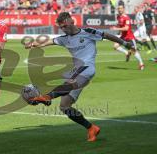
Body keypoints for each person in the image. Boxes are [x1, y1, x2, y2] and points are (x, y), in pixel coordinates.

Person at [24, 12, 134, 142]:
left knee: (69, 83)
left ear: (71, 21)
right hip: (75, 71)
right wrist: (33, 44)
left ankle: (47, 96)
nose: (63, 29)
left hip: (87, 67)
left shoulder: (88, 32)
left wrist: (124, 43)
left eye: (64, 26)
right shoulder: (64, 38)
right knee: (64, 106)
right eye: (61, 28)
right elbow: (49, 41)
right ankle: (91, 128)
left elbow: (107, 35)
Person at [110, 4, 144, 70]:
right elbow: (120, 24)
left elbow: (126, 28)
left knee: (134, 51)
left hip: (129, 37)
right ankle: (126, 53)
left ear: (123, 9)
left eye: (121, 8)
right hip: (123, 36)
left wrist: (116, 29)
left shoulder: (126, 18)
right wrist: (117, 28)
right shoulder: (118, 17)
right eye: (118, 8)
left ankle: (141, 64)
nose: (119, 10)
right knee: (115, 46)